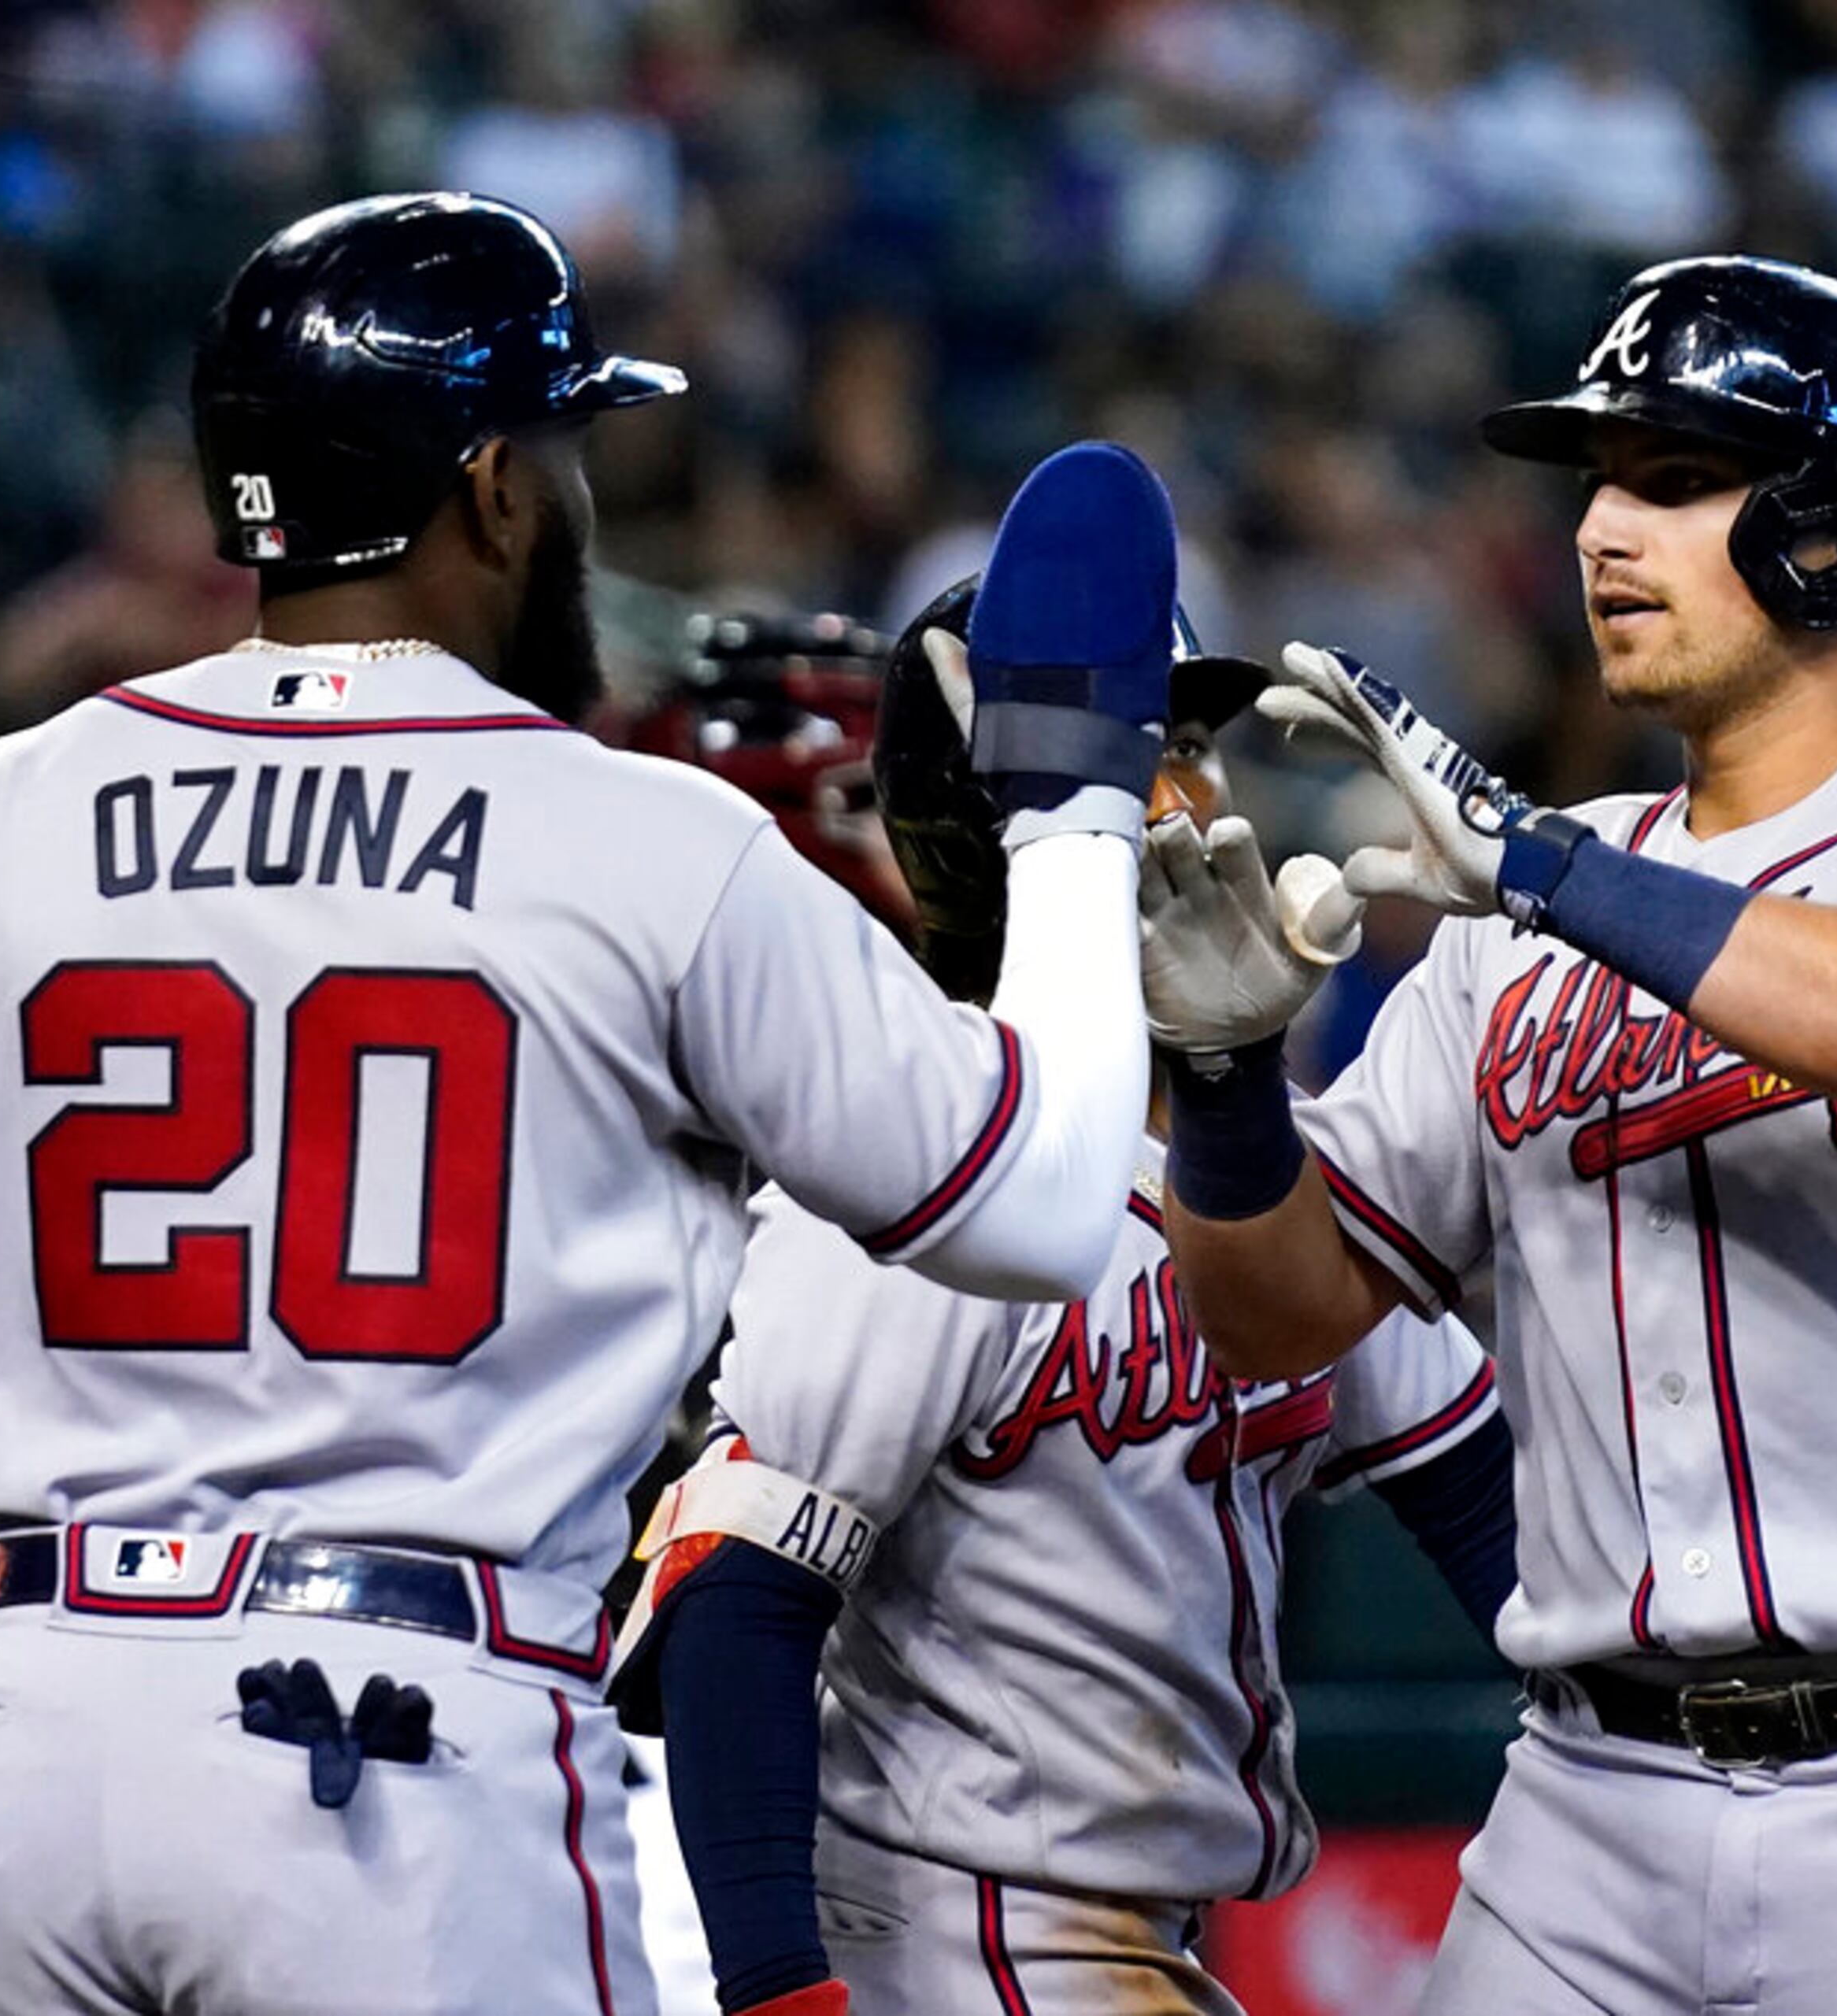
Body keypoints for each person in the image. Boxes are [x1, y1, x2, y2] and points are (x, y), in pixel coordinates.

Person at [0, 191, 1179, 2015]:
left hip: (26, 1747)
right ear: (497, 489)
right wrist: (1074, 821)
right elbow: (1050, 1204)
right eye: (568, 452)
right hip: (398, 1763)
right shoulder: (646, 840)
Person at [1139, 257, 1837, 2013]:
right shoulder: (1511, 898)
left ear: (1832, 523)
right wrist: (1217, 1086)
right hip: (1591, 1810)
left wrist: (1549, 870)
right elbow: (1273, 1315)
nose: (1602, 529)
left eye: (1672, 479)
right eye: (1596, 480)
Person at [611, 579, 1517, 2016]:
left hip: (1148, 1932)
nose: (1189, 792)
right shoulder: (917, 1175)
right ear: (990, 828)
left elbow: (1490, 1517)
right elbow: (740, 1601)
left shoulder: (1260, 1168)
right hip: (941, 1924)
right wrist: (780, 1991)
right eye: (1130, 759)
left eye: (1195, 747)